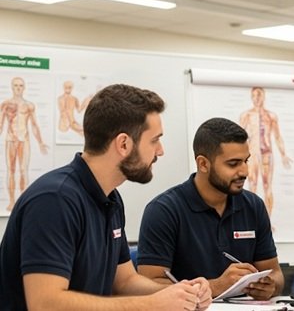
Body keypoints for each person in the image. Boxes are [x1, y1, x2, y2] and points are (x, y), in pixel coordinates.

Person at [0, 84, 212, 311]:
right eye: (154, 140)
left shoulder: (110, 198)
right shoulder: (54, 200)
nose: (160, 151)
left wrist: (182, 292)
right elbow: (45, 304)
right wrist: (151, 304)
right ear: (123, 144)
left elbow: (124, 281)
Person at [137, 117, 284, 300]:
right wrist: (215, 286)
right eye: (233, 164)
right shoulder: (163, 211)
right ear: (203, 164)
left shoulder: (253, 206)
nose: (244, 171)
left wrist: (270, 286)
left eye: (246, 161)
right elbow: (148, 286)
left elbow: (276, 274)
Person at [238, 86, 292, 217]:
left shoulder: (271, 116)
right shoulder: (246, 115)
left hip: (267, 153)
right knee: (252, 186)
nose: (256, 99)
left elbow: (277, 136)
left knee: (268, 186)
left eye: (259, 95)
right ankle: (252, 220)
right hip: (252, 155)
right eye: (254, 96)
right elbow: (238, 136)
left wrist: (283, 154)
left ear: (264, 96)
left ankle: (267, 220)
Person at [1, 76, 49, 211]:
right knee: (10, 171)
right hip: (10, 139)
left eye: (20, 85)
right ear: (12, 87)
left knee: (23, 170)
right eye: (15, 85)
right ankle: (11, 201)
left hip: (24, 139)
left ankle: (21, 202)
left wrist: (40, 142)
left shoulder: (29, 105)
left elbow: (34, 125)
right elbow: (0, 124)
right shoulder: (5, 104)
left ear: (24, 87)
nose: (18, 88)